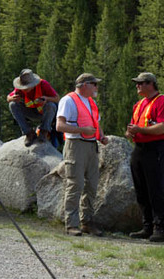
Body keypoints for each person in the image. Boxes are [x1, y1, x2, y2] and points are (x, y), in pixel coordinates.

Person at [55, 72, 109, 236]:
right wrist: (82, 130)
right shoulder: (68, 100)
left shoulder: (91, 102)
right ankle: (71, 224)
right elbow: (59, 126)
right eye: (94, 84)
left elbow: (96, 123)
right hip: (75, 145)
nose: (96, 88)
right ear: (85, 85)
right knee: (75, 184)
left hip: (91, 146)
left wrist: (101, 136)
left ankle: (87, 222)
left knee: (92, 185)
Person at [125, 72, 164, 243]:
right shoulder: (138, 105)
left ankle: (159, 228)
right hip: (139, 148)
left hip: (155, 149)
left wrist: (140, 130)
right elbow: (133, 127)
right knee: (141, 189)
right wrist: (130, 132)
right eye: (136, 83)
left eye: (141, 83)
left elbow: (163, 128)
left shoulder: (162, 101)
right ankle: (147, 226)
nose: (137, 86)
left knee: (155, 189)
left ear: (151, 84)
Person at [8, 68, 58, 147]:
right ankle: (29, 133)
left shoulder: (43, 84)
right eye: (24, 87)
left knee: (51, 105)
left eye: (27, 87)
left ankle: (44, 132)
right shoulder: (20, 88)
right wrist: (12, 98)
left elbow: (57, 98)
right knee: (12, 105)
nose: (25, 89)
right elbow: (8, 98)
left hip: (44, 113)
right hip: (29, 112)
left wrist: (46, 99)